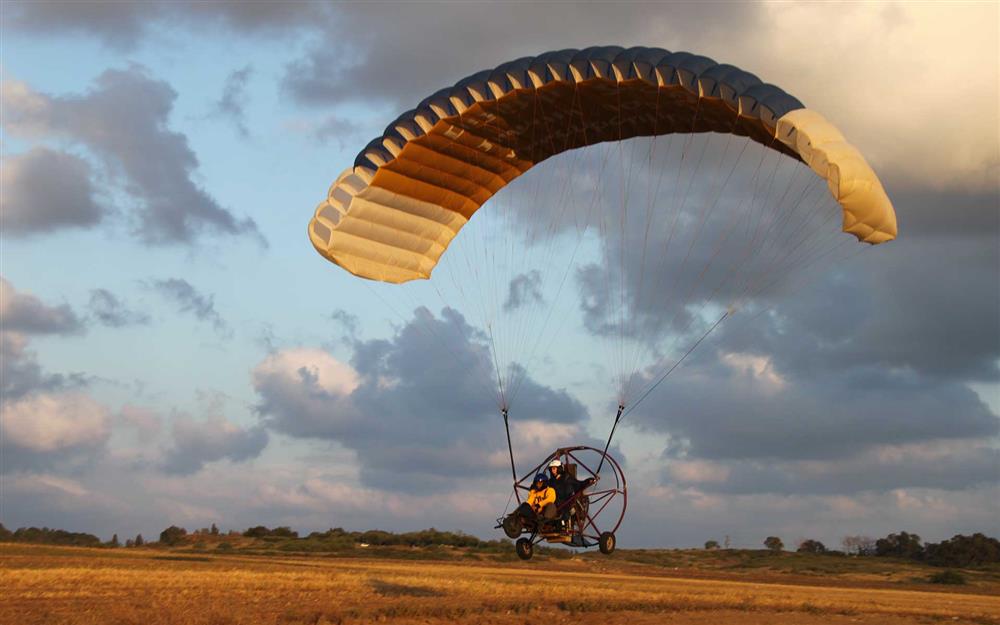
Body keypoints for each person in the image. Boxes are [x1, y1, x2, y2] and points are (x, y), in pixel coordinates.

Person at [547, 459, 596, 527]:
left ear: (559, 469)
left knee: (564, 514)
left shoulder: (567, 478)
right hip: (555, 505)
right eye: (551, 469)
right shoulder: (550, 482)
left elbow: (579, 485)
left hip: (566, 504)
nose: (552, 471)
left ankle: (563, 525)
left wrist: (588, 481)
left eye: (554, 468)